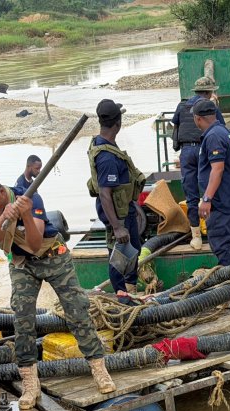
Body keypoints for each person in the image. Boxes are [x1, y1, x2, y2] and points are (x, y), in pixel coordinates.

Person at [0, 172, 115, 408]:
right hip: (21, 263)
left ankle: (99, 370)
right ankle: (30, 383)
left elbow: (36, 244)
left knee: (77, 310)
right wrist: (2, 217)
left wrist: (25, 213)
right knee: (23, 318)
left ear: (1, 193)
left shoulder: (30, 199)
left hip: (53, 257)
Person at [87, 99, 146, 296]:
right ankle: (122, 296)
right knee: (119, 255)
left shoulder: (104, 143)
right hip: (118, 215)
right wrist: (117, 227)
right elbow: (105, 193)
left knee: (134, 249)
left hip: (125, 210)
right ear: (118, 124)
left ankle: (130, 289)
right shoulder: (107, 157)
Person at [170, 77, 225, 250]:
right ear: (209, 93)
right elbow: (220, 127)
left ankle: (196, 237)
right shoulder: (210, 107)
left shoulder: (182, 106)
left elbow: (175, 126)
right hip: (205, 150)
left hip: (186, 152)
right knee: (210, 190)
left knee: (191, 194)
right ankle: (213, 232)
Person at [193, 99, 230, 266]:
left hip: (222, 201)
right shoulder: (224, 131)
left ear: (198, 118)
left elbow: (217, 169)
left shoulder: (213, 136)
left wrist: (206, 199)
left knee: (220, 242)